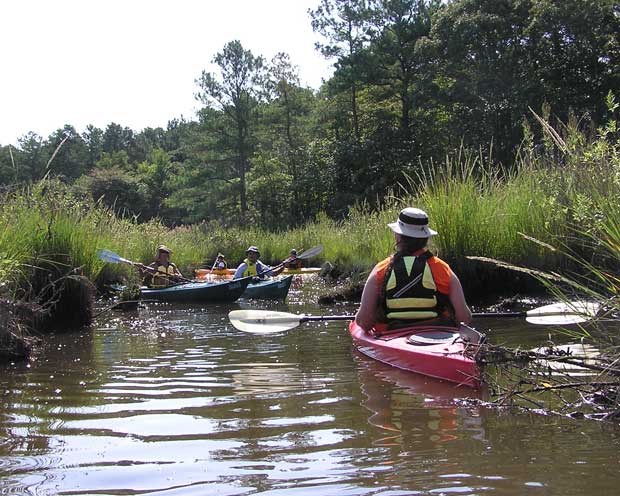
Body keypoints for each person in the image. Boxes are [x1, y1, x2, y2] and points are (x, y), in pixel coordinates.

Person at [355, 207, 472, 335]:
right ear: (426, 237)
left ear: (398, 236)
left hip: (392, 336)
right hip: (439, 335)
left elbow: (364, 322)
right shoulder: (443, 269)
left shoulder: (381, 270)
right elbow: (464, 319)